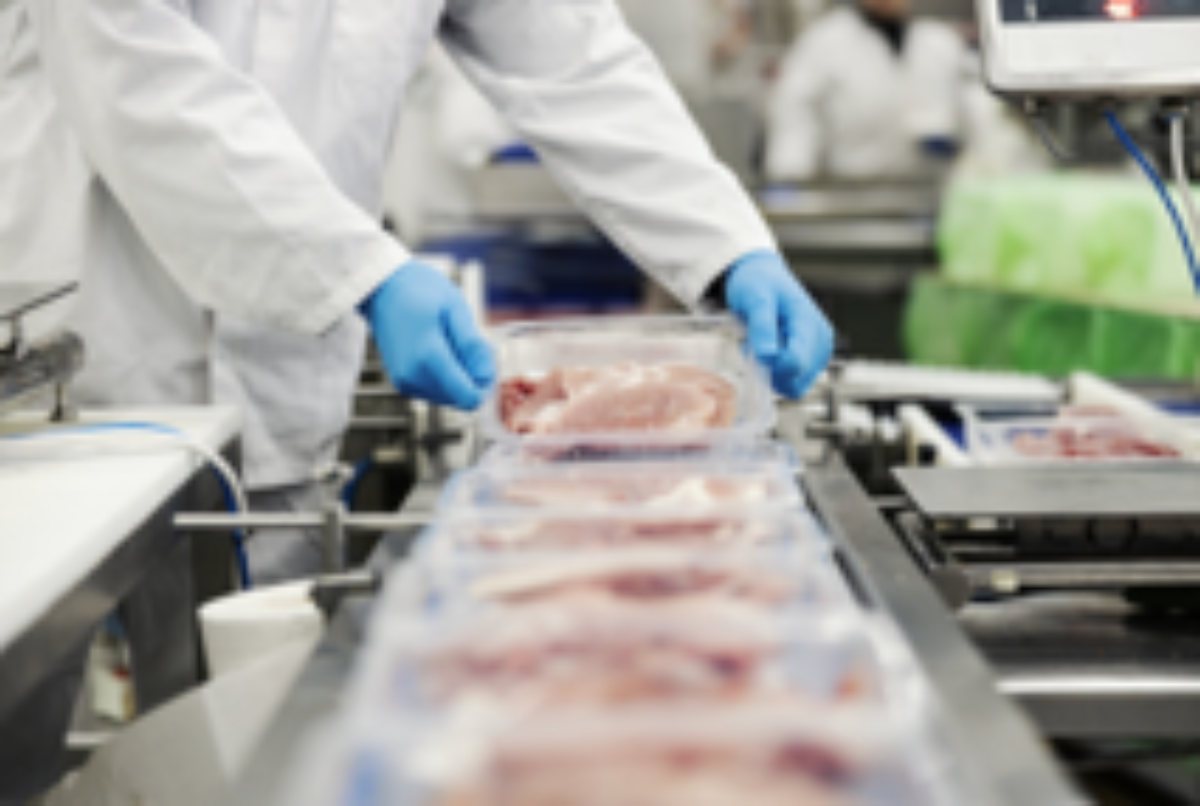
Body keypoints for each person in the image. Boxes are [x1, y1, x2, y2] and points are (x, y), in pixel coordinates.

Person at [0, 2, 832, 800]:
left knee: (256, 747)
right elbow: (132, 69)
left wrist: (727, 247)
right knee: (19, 713)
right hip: (76, 347)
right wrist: (364, 272)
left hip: (285, 369)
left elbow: (571, 54)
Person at [765, 0, 969, 182]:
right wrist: (789, 178)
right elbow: (795, 118)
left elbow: (978, 112)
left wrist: (957, 138)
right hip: (853, 194)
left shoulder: (940, 42)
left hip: (933, 192)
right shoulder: (823, 43)